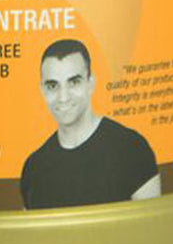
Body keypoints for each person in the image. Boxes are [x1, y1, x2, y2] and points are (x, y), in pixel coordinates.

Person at [20, 38, 160, 209]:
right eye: (53, 86)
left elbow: (154, 223)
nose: (63, 97)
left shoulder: (131, 148)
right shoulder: (34, 167)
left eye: (74, 82)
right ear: (42, 90)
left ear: (90, 84)